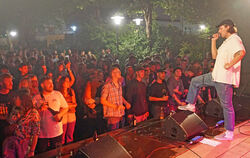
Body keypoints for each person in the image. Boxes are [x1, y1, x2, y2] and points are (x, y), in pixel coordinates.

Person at [178, 19, 246, 140]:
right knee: (195, 81)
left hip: (224, 79)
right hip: (215, 75)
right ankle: (191, 104)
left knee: (227, 105)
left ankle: (229, 133)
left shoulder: (235, 39)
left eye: (221, 28)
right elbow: (215, 56)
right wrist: (214, 41)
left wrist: (229, 64)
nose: (219, 31)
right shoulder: (226, 42)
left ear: (228, 27)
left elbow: (241, 53)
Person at [32, 76, 68, 153]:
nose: (51, 85)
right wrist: (40, 109)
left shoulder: (58, 94)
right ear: (42, 85)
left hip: (56, 131)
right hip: (42, 133)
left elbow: (65, 107)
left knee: (56, 153)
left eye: (52, 83)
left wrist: (60, 114)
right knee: (43, 154)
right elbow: (31, 115)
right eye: (48, 83)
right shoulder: (36, 98)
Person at [3, 90, 40, 158]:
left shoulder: (33, 113)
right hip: (14, 144)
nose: (14, 100)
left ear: (23, 99)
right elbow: (11, 123)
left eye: (16, 98)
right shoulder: (15, 109)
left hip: (26, 146)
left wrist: (32, 150)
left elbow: (35, 133)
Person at [101, 66, 131, 131]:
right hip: (112, 115)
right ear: (113, 74)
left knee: (121, 134)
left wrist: (126, 103)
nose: (120, 72)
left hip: (120, 114)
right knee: (114, 135)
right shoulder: (107, 86)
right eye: (118, 71)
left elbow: (120, 96)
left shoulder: (119, 84)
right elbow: (102, 100)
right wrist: (116, 106)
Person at [58, 76, 77, 145]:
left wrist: (66, 105)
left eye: (69, 81)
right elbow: (59, 105)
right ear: (62, 82)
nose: (68, 83)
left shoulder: (71, 91)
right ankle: (62, 150)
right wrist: (69, 105)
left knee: (70, 133)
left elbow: (75, 104)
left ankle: (69, 149)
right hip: (63, 114)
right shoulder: (58, 93)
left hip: (71, 113)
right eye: (66, 81)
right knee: (62, 134)